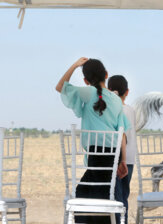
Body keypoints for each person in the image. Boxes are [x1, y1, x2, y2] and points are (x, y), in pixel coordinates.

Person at [56, 57, 130, 223]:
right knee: (99, 196)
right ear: (106, 74)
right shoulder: (117, 100)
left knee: (85, 197)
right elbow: (121, 133)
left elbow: (60, 87)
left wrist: (75, 65)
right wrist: (123, 161)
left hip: (96, 159)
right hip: (113, 157)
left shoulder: (87, 92)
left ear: (85, 80)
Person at [108, 75, 137, 224]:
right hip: (131, 158)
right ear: (127, 91)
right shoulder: (131, 110)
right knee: (124, 195)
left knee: (116, 196)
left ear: (108, 90)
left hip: (120, 159)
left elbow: (122, 137)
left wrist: (121, 159)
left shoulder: (115, 110)